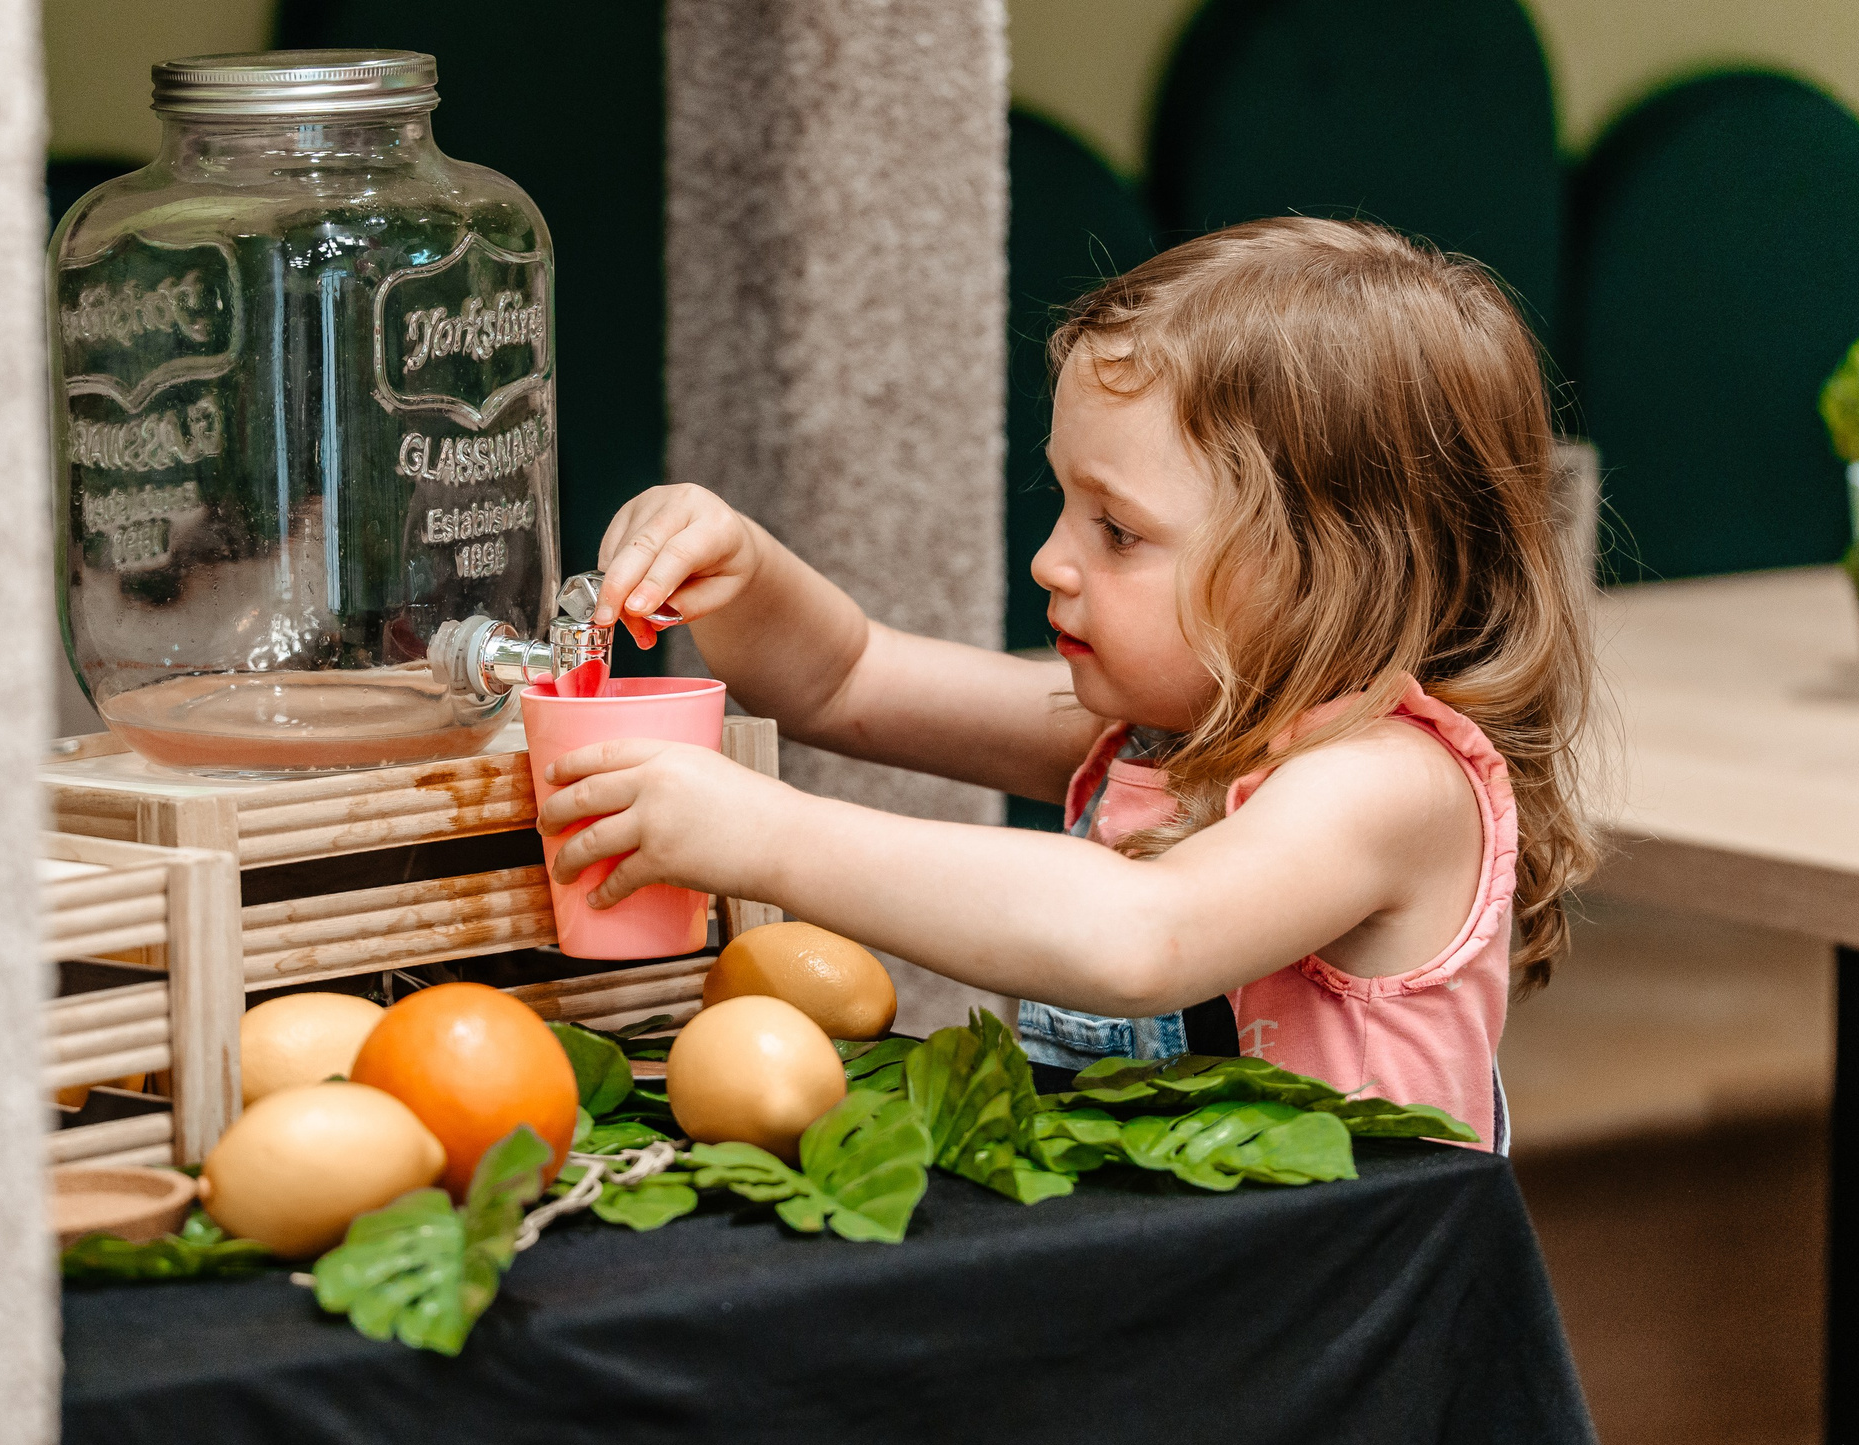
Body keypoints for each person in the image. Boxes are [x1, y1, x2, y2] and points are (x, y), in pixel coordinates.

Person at [538, 218, 1595, 1148]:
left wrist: (766, 838)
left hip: (1351, 1327)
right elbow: (843, 676)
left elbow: (1141, 936)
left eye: (1118, 530)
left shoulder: (1385, 784)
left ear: (1327, 569)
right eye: (1066, 509)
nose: (1049, 561)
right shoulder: (1156, 735)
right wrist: (741, 569)